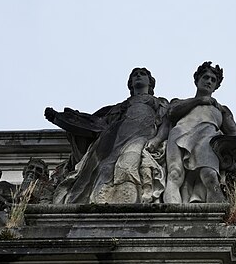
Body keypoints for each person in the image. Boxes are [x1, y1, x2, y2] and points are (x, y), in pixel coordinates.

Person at [45, 68, 169, 204]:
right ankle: (100, 203)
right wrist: (63, 119)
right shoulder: (118, 108)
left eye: (142, 74)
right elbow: (94, 124)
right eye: (135, 75)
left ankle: (129, 204)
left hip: (141, 138)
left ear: (150, 82)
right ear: (130, 83)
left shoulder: (159, 102)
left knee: (127, 165)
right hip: (115, 140)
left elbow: (166, 123)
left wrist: (157, 140)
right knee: (104, 169)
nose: (138, 76)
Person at [164, 62, 236, 203]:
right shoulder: (180, 102)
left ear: (216, 86)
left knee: (210, 176)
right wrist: (200, 100)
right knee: (175, 174)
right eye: (206, 77)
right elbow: (172, 113)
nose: (209, 81)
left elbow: (233, 132)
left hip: (207, 138)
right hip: (180, 133)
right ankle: (171, 218)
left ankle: (218, 215)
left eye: (213, 80)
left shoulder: (221, 109)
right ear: (197, 80)